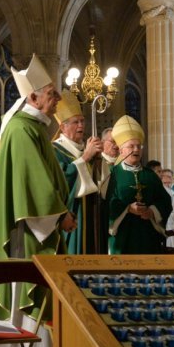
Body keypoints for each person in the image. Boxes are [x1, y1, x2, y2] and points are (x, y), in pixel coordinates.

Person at [0, 54, 74, 347]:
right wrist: (59, 213)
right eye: (52, 93)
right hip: (28, 232)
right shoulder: (21, 130)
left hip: (37, 226)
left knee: (32, 299)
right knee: (27, 298)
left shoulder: (31, 127)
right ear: (33, 97)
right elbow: (32, 184)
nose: (58, 99)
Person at [103, 116, 173, 254]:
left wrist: (152, 211)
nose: (136, 150)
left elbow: (164, 200)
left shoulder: (150, 175)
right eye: (131, 146)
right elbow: (107, 203)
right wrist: (128, 208)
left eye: (138, 146)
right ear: (121, 150)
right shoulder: (112, 175)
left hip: (148, 236)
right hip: (122, 236)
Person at [51, 93, 104, 253]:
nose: (81, 125)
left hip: (93, 213)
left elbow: (101, 184)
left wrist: (99, 161)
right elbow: (61, 181)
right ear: (63, 127)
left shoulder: (86, 148)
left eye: (82, 121)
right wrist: (86, 157)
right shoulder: (54, 150)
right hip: (72, 214)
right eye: (75, 122)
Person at [159, 168, 174, 249]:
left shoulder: (172, 191)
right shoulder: (161, 190)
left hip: (172, 222)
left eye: (171, 177)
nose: (170, 179)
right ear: (162, 178)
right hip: (164, 223)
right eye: (167, 177)